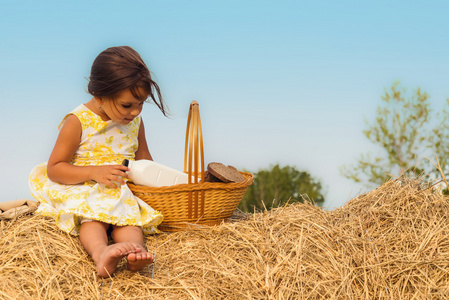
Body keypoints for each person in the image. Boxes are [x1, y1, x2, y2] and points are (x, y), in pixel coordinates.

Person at [29, 46, 168, 278]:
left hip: (119, 190)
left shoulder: (134, 123)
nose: (135, 112)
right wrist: (94, 172)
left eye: (141, 103)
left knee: (130, 221)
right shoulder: (79, 121)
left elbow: (145, 160)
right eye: (127, 105)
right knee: (94, 218)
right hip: (84, 187)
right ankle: (101, 252)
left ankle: (136, 253)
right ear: (100, 96)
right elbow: (55, 168)